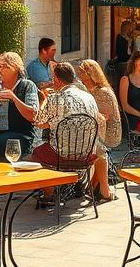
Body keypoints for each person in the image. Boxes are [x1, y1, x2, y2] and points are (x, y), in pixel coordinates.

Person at [32, 63, 106, 205]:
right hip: (86, 153)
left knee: (34, 156)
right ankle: (75, 185)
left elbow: (38, 121)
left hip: (61, 154)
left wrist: (44, 99)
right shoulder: (89, 97)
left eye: (54, 78)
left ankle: (50, 194)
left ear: (58, 80)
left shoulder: (55, 98)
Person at [76, 59, 121, 202]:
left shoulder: (103, 92)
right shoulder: (84, 90)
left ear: (90, 74)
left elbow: (104, 118)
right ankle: (95, 188)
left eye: (82, 72)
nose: (79, 75)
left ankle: (103, 189)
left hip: (107, 132)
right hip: (92, 130)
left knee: (98, 149)